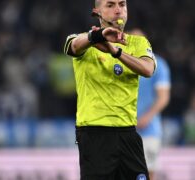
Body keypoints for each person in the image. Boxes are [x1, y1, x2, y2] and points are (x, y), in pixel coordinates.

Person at [63, 0, 156, 179]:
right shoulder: (86, 41)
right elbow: (73, 46)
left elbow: (147, 69)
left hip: (128, 133)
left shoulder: (138, 43)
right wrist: (98, 37)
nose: (118, 10)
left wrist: (115, 51)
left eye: (122, 5)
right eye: (110, 5)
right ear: (97, 11)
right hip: (94, 133)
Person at [130, 27, 171, 180]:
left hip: (148, 130)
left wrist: (147, 117)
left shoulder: (158, 65)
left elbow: (163, 97)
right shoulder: (121, 63)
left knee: (147, 174)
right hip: (124, 129)